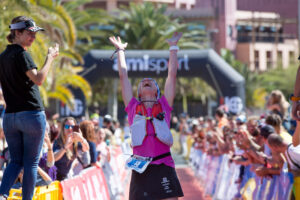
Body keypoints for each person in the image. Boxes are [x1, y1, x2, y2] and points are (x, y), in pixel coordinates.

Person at [109, 32, 184, 200]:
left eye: (150, 81)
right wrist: (120, 51)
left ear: (157, 91)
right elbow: (123, 76)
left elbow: (172, 75)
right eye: (142, 82)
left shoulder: (164, 105)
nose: (146, 80)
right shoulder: (133, 107)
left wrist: (173, 48)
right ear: (139, 93)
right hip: (141, 167)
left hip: (164, 164)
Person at [0, 16, 59, 200]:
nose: (33, 37)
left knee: (15, 161)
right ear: (16, 33)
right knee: (31, 163)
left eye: (34, 34)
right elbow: (39, 79)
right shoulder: (22, 54)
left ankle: (2, 194)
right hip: (31, 114)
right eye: (29, 33)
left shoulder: (2, 57)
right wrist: (50, 58)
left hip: (10, 117)